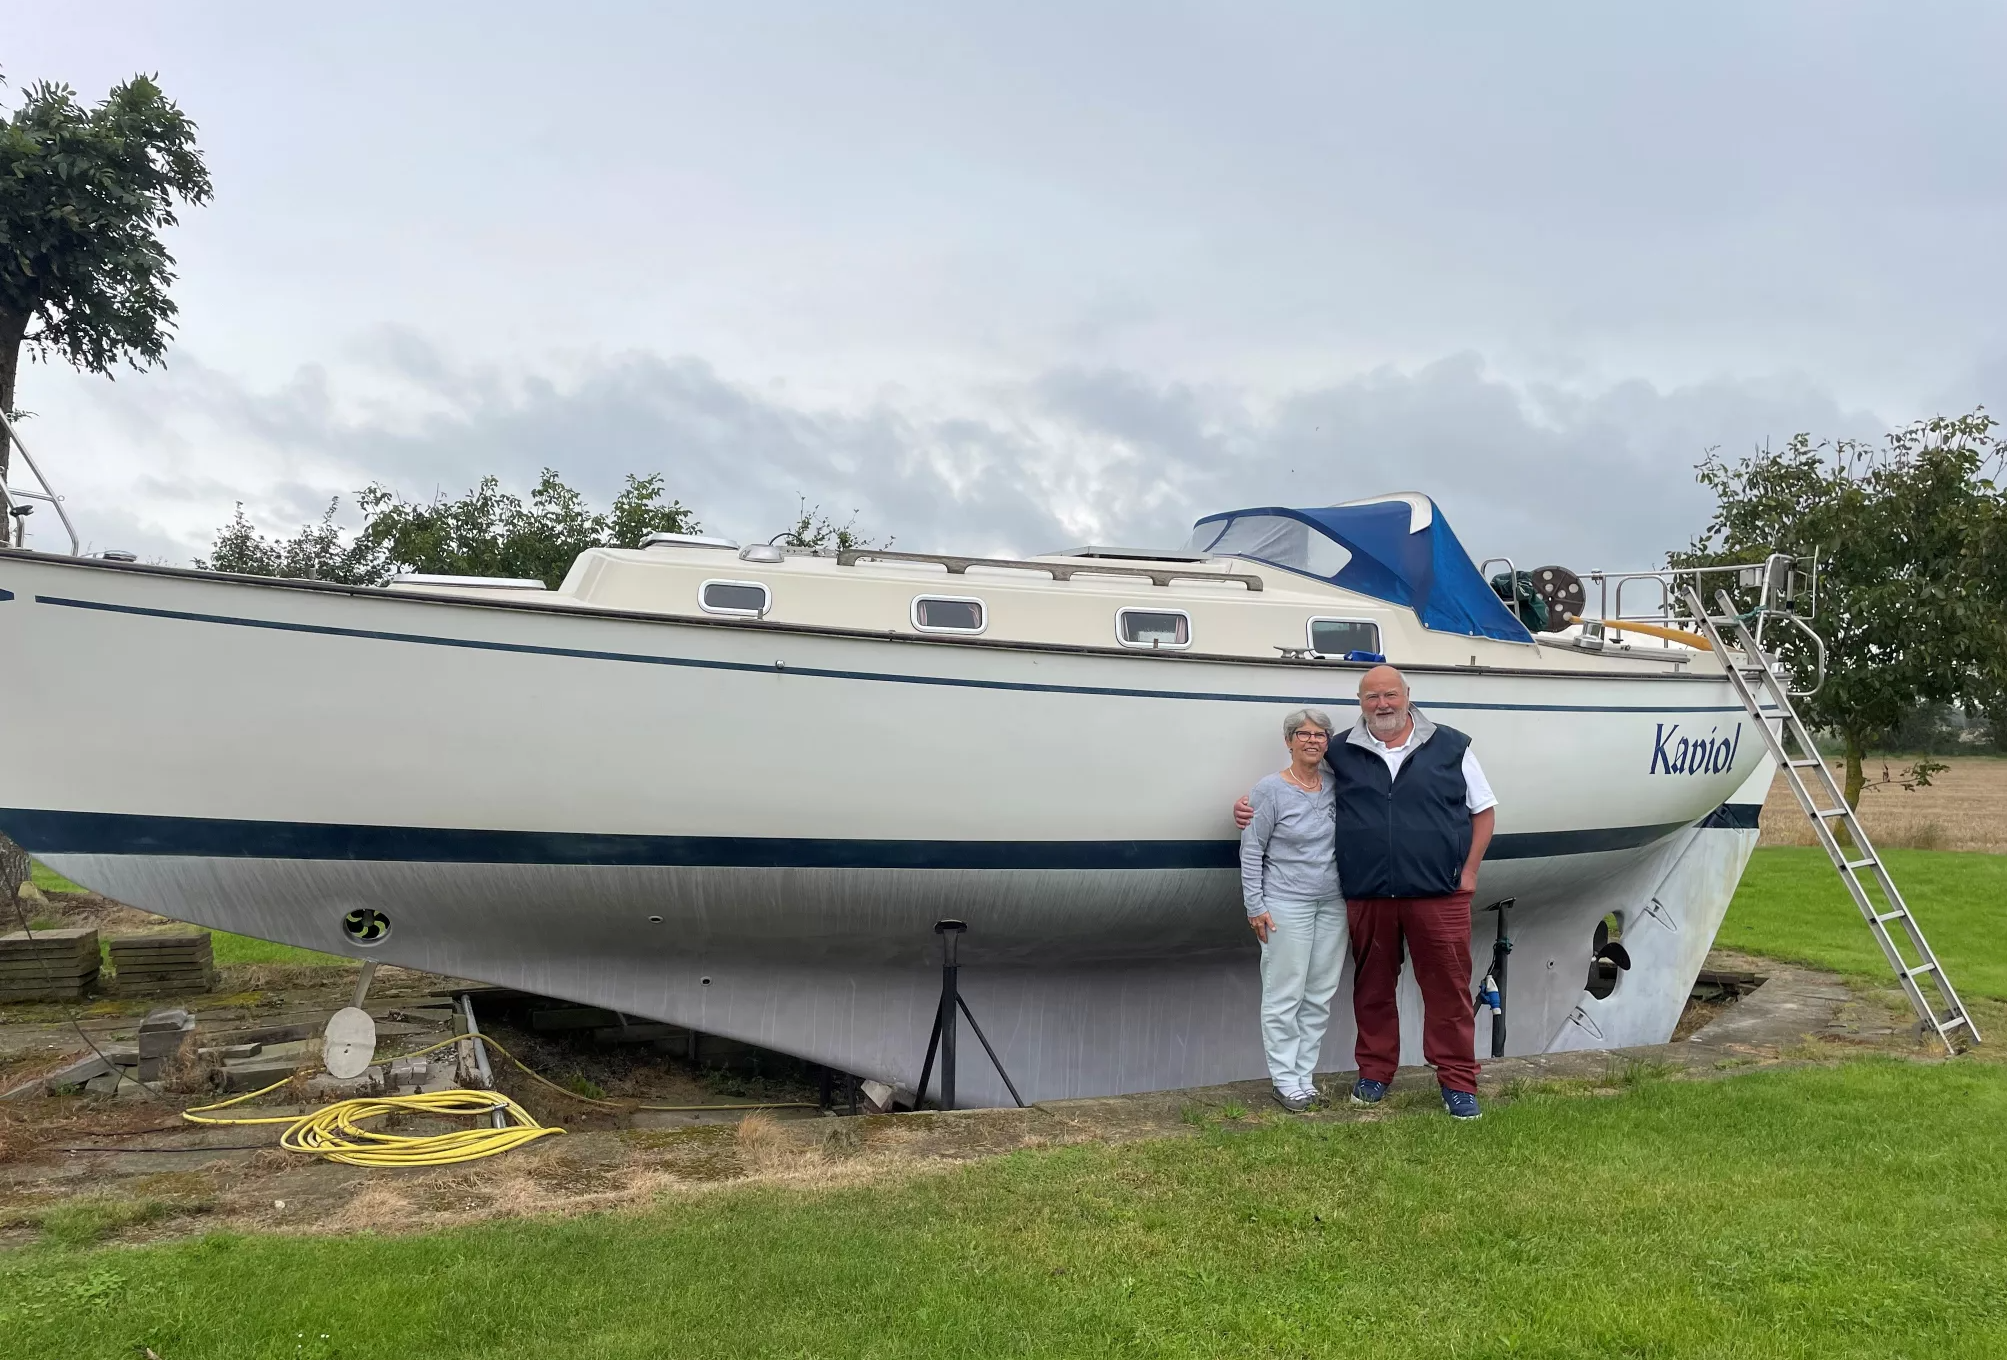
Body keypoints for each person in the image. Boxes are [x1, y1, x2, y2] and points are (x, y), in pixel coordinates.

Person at [1236, 664, 1496, 1119]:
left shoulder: (1452, 746)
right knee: (1372, 990)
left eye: (1390, 695)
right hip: (1369, 894)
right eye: (1372, 697)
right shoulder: (1344, 751)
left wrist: (1469, 871)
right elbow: (1298, 782)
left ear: (1407, 694)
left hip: (1438, 893)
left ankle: (1458, 1082)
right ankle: (1375, 1073)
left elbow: (1484, 811)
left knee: (1448, 991)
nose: (1383, 705)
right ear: (1361, 702)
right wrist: (1249, 807)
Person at [1239, 708, 1347, 1113]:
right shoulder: (1269, 790)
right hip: (1285, 903)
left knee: (1319, 993)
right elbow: (1251, 850)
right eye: (1303, 734)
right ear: (1288, 741)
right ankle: (1285, 1080)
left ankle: (1305, 1076)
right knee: (1285, 993)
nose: (1312, 741)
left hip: (1333, 902)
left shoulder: (1337, 786)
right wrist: (1256, 906)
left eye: (1320, 735)